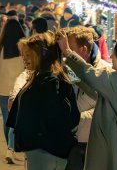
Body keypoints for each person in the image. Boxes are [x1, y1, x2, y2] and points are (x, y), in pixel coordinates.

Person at [57, 32, 117, 170]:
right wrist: (68, 69)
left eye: (115, 53)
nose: (112, 56)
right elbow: (92, 88)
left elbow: (88, 74)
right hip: (116, 144)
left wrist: (67, 51)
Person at [7, 32, 80, 170]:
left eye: (29, 55)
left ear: (42, 55)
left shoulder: (50, 82)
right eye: (23, 55)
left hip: (46, 151)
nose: (24, 59)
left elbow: (61, 118)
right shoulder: (41, 77)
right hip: (42, 149)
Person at [62, 26, 111, 170]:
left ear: (83, 49)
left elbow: (95, 98)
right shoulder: (70, 68)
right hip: (74, 138)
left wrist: (69, 114)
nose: (67, 53)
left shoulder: (103, 70)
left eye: (70, 48)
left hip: (92, 140)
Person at [0, 19, 25, 163]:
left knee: (7, 118)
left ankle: (9, 147)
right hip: (18, 87)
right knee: (16, 119)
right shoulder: (23, 47)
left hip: (1, 87)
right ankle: (11, 149)